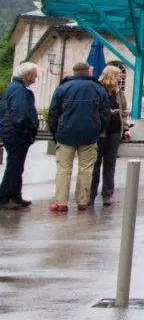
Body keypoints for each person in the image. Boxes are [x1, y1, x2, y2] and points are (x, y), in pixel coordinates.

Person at [48, 62, 109, 211]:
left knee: (64, 169)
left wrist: (56, 133)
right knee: (86, 169)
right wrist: (97, 129)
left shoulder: (62, 88)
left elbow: (53, 114)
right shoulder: (98, 89)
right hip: (89, 134)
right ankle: (82, 201)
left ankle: (61, 202)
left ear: (74, 72)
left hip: (65, 134)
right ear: (88, 72)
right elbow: (105, 114)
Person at [0, 62, 40, 210]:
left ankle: (15, 195)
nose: (36, 77)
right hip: (16, 134)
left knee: (16, 165)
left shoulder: (14, 88)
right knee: (14, 166)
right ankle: (4, 197)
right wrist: (27, 129)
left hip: (10, 131)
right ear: (28, 75)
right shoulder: (19, 90)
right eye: (35, 74)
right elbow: (20, 114)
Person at [89, 65, 129, 207]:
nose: (120, 78)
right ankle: (90, 194)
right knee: (95, 164)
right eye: (118, 76)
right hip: (100, 132)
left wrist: (125, 128)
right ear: (111, 76)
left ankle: (107, 194)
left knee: (110, 164)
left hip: (114, 131)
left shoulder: (119, 93)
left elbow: (124, 111)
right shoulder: (98, 90)